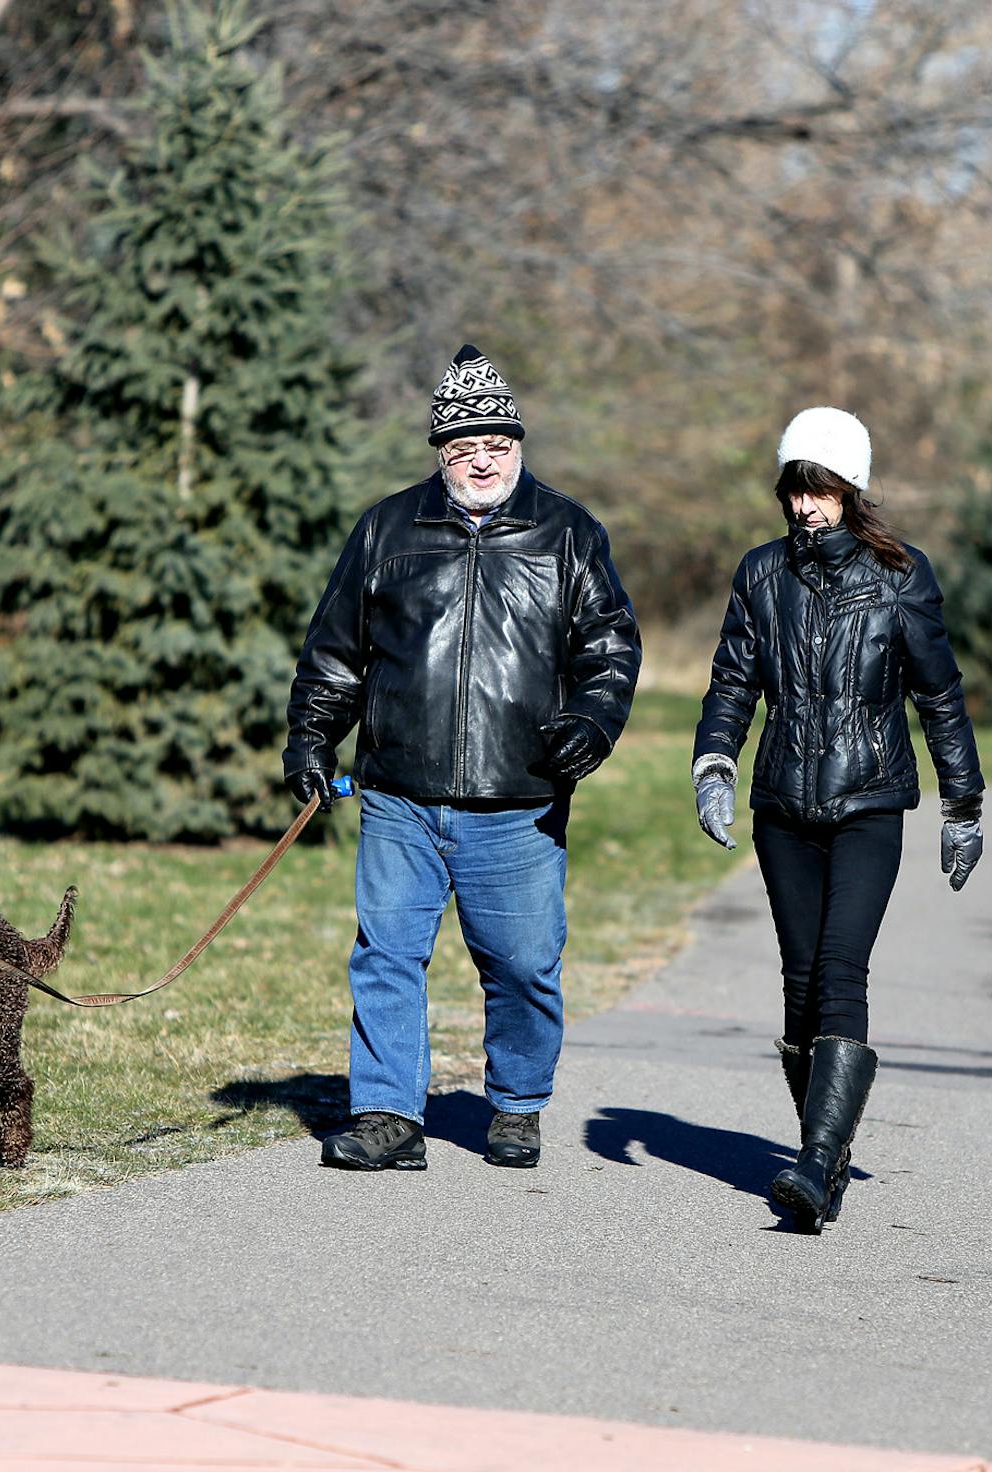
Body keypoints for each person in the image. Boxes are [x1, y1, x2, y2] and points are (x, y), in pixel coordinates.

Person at [285, 344, 641, 1172]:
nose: (482, 459)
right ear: (442, 453)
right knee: (386, 957)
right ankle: (387, 1116)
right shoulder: (386, 528)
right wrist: (311, 736)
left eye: (497, 444)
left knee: (522, 966)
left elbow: (610, 650)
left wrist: (592, 722)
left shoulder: (570, 532)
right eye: (464, 446)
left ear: (518, 445)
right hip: (399, 794)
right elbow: (336, 653)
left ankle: (515, 1105)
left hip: (520, 800)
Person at [691, 406, 984, 1233]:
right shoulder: (760, 575)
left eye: (820, 491)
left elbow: (939, 693)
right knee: (797, 983)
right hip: (784, 803)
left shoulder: (902, 576)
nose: (805, 507)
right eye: (795, 490)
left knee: (840, 971)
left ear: (850, 491)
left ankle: (817, 1165)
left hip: (869, 802)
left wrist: (963, 804)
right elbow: (731, 684)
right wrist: (714, 764)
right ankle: (823, 1149)